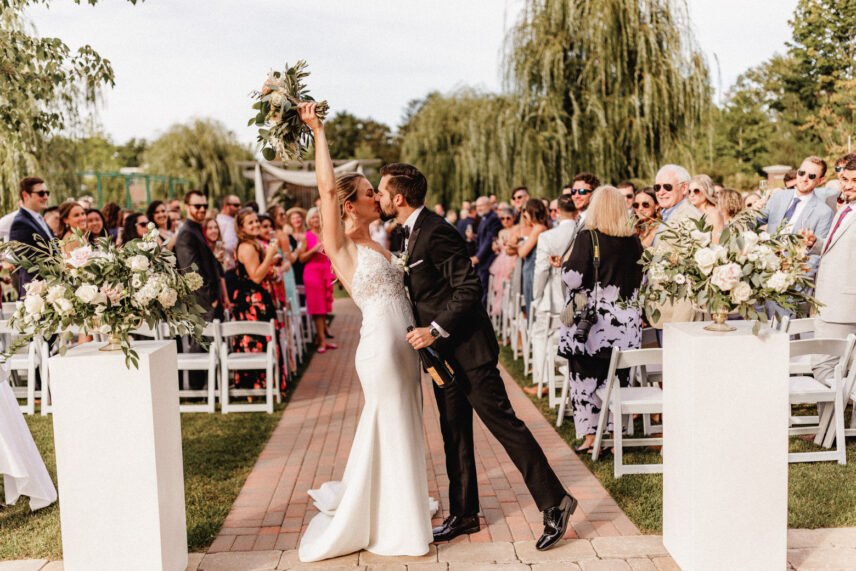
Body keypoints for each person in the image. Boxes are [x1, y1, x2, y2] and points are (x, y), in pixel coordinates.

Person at [374, 163, 576, 550]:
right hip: (440, 357)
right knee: (454, 434)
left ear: (398, 197)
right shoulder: (410, 233)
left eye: (381, 191)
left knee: (506, 427)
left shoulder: (437, 231)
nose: (379, 197)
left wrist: (433, 329)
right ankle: (464, 514)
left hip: (468, 350)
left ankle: (556, 502)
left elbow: (468, 288)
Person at [296, 103, 433, 562]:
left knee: (405, 422)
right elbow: (323, 188)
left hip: (407, 346)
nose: (380, 198)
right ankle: (392, 520)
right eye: (371, 193)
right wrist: (318, 131)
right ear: (349, 204)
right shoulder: (341, 245)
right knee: (388, 420)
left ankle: (402, 503)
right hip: (379, 348)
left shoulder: (383, 241)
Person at [558, 186, 643, 453]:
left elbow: (572, 278)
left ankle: (591, 437)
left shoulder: (588, 238)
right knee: (617, 377)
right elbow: (644, 280)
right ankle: (614, 434)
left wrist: (564, 264)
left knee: (584, 377)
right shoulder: (634, 241)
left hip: (593, 323)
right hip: (627, 323)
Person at [804, 157, 856, 382]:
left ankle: (837, 412)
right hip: (829, 302)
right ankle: (834, 419)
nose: (848, 185)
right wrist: (815, 243)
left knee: (824, 369)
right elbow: (839, 247)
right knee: (835, 371)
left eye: (855, 180)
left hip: (844, 306)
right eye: (845, 179)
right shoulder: (846, 209)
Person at [528, 195, 577, 395]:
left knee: (540, 336)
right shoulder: (582, 232)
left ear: (556, 212)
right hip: (576, 296)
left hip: (550, 298)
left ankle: (545, 380)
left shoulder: (547, 237)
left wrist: (536, 296)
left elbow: (540, 270)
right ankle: (569, 376)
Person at [756, 156, 834, 276]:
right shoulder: (778, 196)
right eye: (802, 173)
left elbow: (816, 256)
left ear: (820, 181)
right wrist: (752, 211)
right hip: (764, 272)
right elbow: (755, 221)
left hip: (794, 281)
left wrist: (793, 279)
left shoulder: (824, 212)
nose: (804, 178)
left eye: (812, 176)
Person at [647, 164, 701, 337]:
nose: (660, 192)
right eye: (657, 187)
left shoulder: (689, 217)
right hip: (663, 313)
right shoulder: (667, 216)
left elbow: (691, 275)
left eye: (667, 187)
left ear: (684, 188)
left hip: (678, 318)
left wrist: (680, 324)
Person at [232, 208, 280, 389]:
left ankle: (262, 385)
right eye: (250, 222)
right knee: (254, 342)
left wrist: (271, 269)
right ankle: (255, 386)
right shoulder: (247, 246)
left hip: (255, 298)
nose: (255, 225)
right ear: (242, 227)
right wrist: (269, 256)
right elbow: (256, 277)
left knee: (258, 340)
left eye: (256, 221)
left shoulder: (252, 244)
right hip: (252, 301)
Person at [299, 207, 336, 352]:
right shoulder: (305, 236)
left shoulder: (326, 234)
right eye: (312, 217)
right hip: (312, 273)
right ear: (309, 220)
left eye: (317, 217)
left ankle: (321, 338)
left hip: (326, 271)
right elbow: (301, 258)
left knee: (324, 307)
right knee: (318, 308)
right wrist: (313, 250)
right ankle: (321, 341)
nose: (315, 220)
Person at [9, 177, 53, 296]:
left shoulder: (38, 219)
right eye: (41, 193)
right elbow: (27, 262)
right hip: (36, 292)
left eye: (47, 193)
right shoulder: (21, 223)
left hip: (49, 288)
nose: (46, 197)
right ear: (25, 195)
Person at [515, 198, 549, 318]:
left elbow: (523, 253)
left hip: (531, 270)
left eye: (526, 212)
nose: (524, 215)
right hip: (530, 269)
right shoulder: (542, 227)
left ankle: (532, 331)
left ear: (532, 213)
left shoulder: (538, 228)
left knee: (531, 301)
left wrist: (518, 246)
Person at [470, 196, 501, 304]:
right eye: (477, 206)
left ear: (489, 205)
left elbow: (488, 241)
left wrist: (478, 257)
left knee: (484, 290)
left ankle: (483, 316)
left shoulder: (493, 219)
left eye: (481, 206)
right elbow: (482, 238)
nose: (478, 208)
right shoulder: (484, 218)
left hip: (487, 260)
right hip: (482, 260)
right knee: (481, 288)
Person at [487, 207, 517, 315]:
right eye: (502, 218)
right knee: (498, 288)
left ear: (513, 218)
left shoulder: (516, 230)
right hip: (501, 261)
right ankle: (500, 315)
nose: (505, 221)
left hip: (511, 260)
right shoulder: (501, 232)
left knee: (508, 288)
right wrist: (495, 247)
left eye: (508, 218)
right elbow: (498, 249)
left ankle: (510, 314)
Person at [217, 194, 241, 296]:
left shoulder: (234, 220)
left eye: (239, 205)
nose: (239, 208)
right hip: (227, 271)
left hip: (237, 270)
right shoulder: (219, 222)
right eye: (236, 205)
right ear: (225, 206)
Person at [687, 174, 725, 239]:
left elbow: (716, 243)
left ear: (706, 191)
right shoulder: (691, 212)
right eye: (689, 191)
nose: (692, 194)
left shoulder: (714, 214)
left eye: (696, 191)